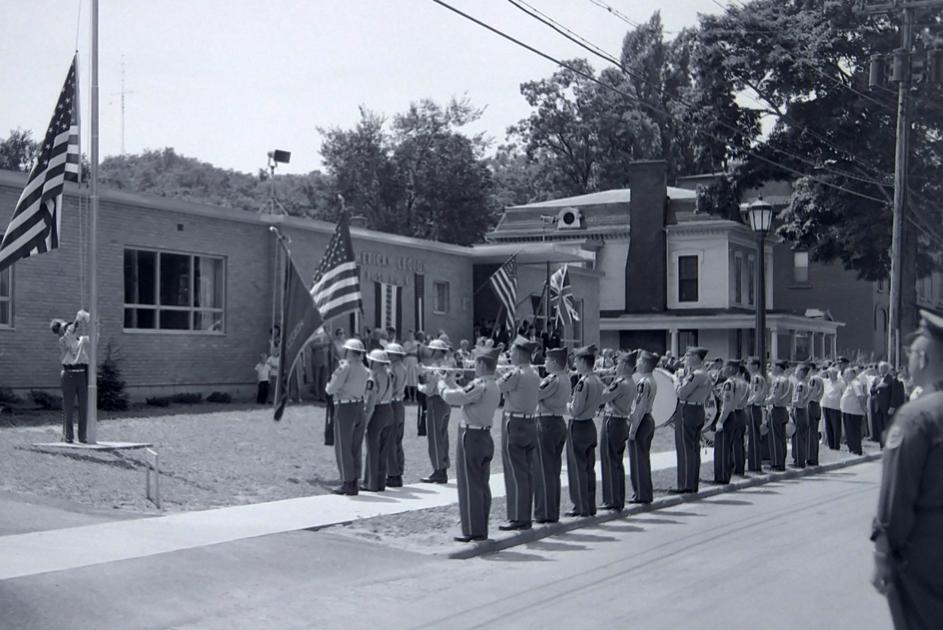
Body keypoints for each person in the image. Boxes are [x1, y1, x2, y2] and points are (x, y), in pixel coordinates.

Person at [871, 309, 943, 629]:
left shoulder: (916, 417)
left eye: (911, 354)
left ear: (924, 358)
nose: (909, 361)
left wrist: (883, 555)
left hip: (926, 555)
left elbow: (895, 500)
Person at [438, 347, 502, 543]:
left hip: (471, 436)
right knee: (481, 483)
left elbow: (454, 397)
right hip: (483, 435)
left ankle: (473, 530)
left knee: (469, 484)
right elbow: (465, 393)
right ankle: (480, 527)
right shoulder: (493, 385)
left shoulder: (480, 384)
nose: (474, 367)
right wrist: (450, 381)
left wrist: (440, 384)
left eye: (476, 363)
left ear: (482, 364)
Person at [496, 335, 541, 531]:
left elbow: (499, 387)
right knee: (526, 472)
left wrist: (500, 378)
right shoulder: (534, 372)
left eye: (512, 351)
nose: (510, 354)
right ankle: (525, 515)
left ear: (520, 353)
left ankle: (517, 517)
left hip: (514, 422)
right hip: (531, 422)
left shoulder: (516, 373)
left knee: (514, 472)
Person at [325, 338, 370, 496]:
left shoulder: (346, 368)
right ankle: (355, 479)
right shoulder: (365, 369)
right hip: (359, 406)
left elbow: (331, 389)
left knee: (343, 446)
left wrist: (332, 378)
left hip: (345, 407)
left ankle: (347, 481)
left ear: (350, 352)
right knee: (355, 446)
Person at [566, 345, 604, 517]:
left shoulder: (583, 383)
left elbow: (576, 409)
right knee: (589, 468)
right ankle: (589, 504)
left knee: (578, 468)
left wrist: (565, 404)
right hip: (590, 425)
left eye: (576, 360)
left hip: (579, 425)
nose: (575, 363)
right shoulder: (597, 380)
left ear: (582, 361)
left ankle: (581, 506)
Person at [534, 346, 570, 524]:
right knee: (553, 470)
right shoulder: (565, 378)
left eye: (547, 360)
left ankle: (544, 512)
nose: (545, 362)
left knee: (543, 470)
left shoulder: (553, 378)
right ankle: (552, 510)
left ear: (555, 362)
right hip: (557, 422)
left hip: (546, 422)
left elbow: (537, 393)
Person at [598, 350, 638, 511]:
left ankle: (612, 499)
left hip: (613, 421)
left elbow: (603, 398)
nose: (617, 366)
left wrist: (602, 384)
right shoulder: (631, 382)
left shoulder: (620, 382)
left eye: (620, 363)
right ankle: (617, 498)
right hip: (621, 422)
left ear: (625, 365)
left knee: (609, 461)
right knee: (616, 462)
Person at [672, 346, 712, 493]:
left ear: (695, 357)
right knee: (694, 448)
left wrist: (676, 381)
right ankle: (692, 483)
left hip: (687, 410)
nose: (685, 358)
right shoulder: (705, 374)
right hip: (698, 409)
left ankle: (685, 485)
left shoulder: (696, 374)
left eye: (688, 356)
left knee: (685, 448)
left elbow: (681, 393)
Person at [52, 309, 91, 444]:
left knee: (84, 407)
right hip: (68, 374)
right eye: (65, 327)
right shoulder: (63, 341)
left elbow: (95, 336)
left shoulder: (81, 340)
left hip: (82, 374)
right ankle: (68, 436)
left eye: (69, 326)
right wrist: (77, 320)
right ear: (61, 332)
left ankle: (83, 436)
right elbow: (69, 334)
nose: (69, 328)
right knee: (68, 407)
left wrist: (89, 320)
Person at [418, 339, 452, 483]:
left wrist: (419, 386)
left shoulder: (435, 367)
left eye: (432, 350)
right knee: (443, 436)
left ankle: (438, 469)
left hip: (435, 401)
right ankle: (442, 467)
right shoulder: (449, 364)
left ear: (437, 351)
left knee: (435, 437)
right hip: (446, 401)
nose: (430, 352)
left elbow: (430, 388)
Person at [628, 350, 658, 504]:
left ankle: (641, 493)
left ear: (645, 364)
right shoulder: (651, 380)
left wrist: (632, 430)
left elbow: (638, 408)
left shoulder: (643, 382)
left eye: (639, 361)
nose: (637, 363)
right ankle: (644, 492)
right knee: (643, 459)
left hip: (641, 421)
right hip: (647, 419)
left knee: (638, 460)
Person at [362, 350, 393, 492]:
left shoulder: (372, 378)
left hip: (378, 411)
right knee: (383, 449)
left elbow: (371, 402)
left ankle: (371, 483)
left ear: (374, 362)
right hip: (389, 409)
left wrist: (365, 421)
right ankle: (380, 482)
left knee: (372, 449)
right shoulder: (388, 374)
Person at [711, 360, 740, 484]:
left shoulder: (728, 383)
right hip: (732, 415)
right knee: (726, 448)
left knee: (722, 450)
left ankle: (722, 477)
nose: (723, 369)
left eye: (725, 367)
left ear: (731, 369)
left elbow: (726, 404)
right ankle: (724, 476)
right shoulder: (736, 382)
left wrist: (720, 421)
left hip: (727, 417)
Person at [384, 343, 408, 487]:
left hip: (392, 403)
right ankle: (398, 470)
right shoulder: (403, 368)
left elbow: (391, 387)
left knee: (391, 441)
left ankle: (393, 474)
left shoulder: (392, 369)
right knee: (398, 440)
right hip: (400, 404)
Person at [766, 360, 793, 471]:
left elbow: (775, 397)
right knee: (782, 438)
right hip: (784, 409)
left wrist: (765, 401)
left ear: (778, 368)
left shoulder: (778, 381)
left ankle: (776, 463)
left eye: (773, 366)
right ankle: (781, 461)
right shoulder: (789, 381)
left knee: (775, 438)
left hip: (776, 410)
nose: (772, 368)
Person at [745, 357, 768, 472]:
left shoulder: (756, 378)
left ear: (755, 366)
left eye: (749, 364)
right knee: (753, 436)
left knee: (754, 437)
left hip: (754, 407)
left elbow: (756, 394)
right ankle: (754, 463)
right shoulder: (754, 378)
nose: (747, 366)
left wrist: (748, 402)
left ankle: (754, 465)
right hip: (754, 407)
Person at [790, 363, 812, 469]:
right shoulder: (805, 384)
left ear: (802, 373)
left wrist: (789, 403)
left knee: (798, 437)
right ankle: (799, 460)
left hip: (799, 412)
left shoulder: (800, 385)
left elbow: (798, 401)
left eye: (797, 371)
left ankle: (799, 461)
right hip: (803, 411)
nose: (795, 373)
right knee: (800, 437)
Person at [840, 367, 867, 456]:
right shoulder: (850, 384)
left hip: (854, 412)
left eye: (847, 374)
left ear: (852, 374)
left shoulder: (856, 383)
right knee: (849, 431)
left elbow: (860, 396)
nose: (846, 376)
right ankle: (852, 449)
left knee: (853, 431)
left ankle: (856, 450)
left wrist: (863, 408)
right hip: (848, 411)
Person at [821, 366, 845, 450]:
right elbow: (819, 376)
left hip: (836, 407)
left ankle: (836, 445)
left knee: (836, 427)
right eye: (829, 374)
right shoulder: (826, 381)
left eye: (832, 373)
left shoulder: (841, 383)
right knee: (828, 427)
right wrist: (825, 371)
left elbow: (844, 396)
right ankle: (831, 445)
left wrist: (843, 408)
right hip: (826, 406)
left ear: (836, 374)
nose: (830, 375)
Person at [871, 361, 894, 447]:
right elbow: (871, 390)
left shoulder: (891, 379)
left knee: (887, 427)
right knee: (880, 427)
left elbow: (893, 394)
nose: (881, 370)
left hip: (887, 407)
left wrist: (892, 406)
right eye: (880, 368)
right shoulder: (877, 379)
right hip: (878, 407)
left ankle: (888, 445)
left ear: (887, 369)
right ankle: (882, 445)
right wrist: (877, 387)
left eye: (884, 368)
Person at [806, 363, 825, 466]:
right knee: (814, 433)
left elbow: (811, 393)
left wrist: (805, 401)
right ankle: (814, 458)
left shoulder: (813, 379)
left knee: (810, 433)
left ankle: (811, 457)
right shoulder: (820, 379)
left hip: (812, 405)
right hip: (817, 404)